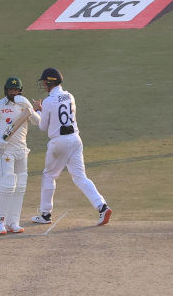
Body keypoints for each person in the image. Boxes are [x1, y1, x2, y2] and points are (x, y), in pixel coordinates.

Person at [29, 68, 112, 227]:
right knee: (80, 177)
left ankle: (45, 214)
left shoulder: (48, 101)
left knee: (48, 176)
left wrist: (39, 110)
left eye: (45, 82)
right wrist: (43, 108)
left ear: (49, 82)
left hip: (59, 142)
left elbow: (42, 126)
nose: (43, 84)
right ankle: (102, 206)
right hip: (75, 140)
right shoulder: (70, 96)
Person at [0, 77, 40, 234]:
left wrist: (29, 107)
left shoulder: (24, 103)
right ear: (6, 90)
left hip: (22, 150)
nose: (13, 93)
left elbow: (37, 122)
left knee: (20, 187)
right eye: (10, 90)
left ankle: (13, 222)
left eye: (16, 90)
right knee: (7, 186)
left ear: (20, 90)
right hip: (5, 151)